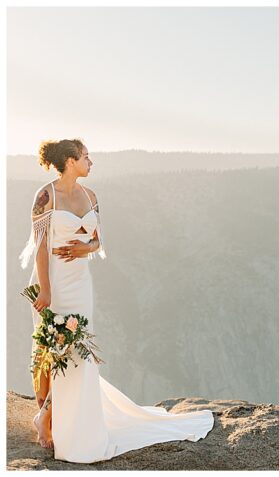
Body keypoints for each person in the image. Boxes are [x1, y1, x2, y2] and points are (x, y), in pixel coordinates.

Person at [19, 139, 214, 463]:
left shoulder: (91, 196)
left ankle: (54, 421)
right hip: (51, 282)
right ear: (69, 161)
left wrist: (85, 249)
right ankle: (47, 418)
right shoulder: (45, 196)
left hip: (81, 283)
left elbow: (97, 240)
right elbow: (39, 246)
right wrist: (46, 289)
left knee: (80, 354)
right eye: (85, 157)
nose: (90, 162)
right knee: (52, 351)